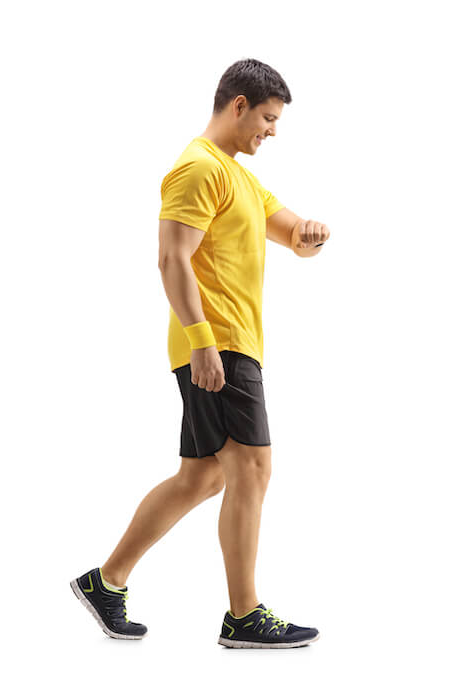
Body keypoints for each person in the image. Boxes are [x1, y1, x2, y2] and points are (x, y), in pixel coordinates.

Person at [70, 58, 330, 649]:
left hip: (235, 344)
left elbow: (288, 232)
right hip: (221, 346)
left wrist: (308, 232)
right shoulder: (196, 168)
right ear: (238, 105)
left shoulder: (238, 176)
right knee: (253, 470)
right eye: (267, 118)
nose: (271, 130)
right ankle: (244, 615)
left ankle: (106, 582)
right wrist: (203, 343)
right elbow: (170, 259)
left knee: (203, 476)